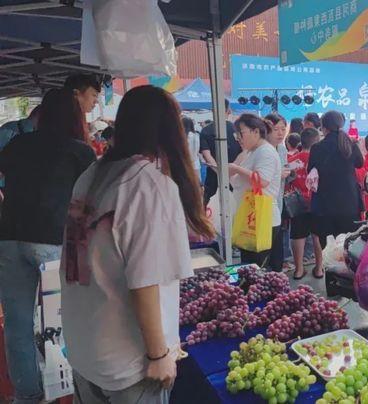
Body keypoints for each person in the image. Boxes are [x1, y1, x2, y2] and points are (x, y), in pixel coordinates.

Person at [60, 86, 213, 403]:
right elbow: (145, 280)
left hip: (86, 348)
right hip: (129, 361)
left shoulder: (93, 173)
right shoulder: (148, 183)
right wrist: (158, 354)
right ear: (171, 128)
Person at [0, 89, 95, 404]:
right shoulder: (80, 152)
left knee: (17, 323)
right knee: (65, 319)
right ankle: (70, 391)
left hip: (9, 237)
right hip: (55, 240)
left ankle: (27, 395)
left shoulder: (14, 145)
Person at [308, 111, 364, 277]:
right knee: (349, 243)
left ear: (323, 127)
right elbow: (360, 163)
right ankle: (349, 278)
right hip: (349, 203)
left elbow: (311, 170)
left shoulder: (318, 147)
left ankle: (332, 279)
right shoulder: (350, 144)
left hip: (326, 204)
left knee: (329, 245)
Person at [229, 114, 283, 267]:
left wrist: (236, 169)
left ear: (256, 132)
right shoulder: (254, 151)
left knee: (257, 268)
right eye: (237, 134)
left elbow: (263, 181)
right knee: (250, 266)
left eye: (241, 133)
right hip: (252, 217)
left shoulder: (266, 152)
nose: (239, 138)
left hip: (263, 219)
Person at [288, 128, 324, 279]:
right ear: (317, 142)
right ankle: (319, 269)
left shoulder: (292, 161)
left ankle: (298, 270)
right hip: (317, 202)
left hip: (297, 204)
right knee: (318, 236)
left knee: (298, 236)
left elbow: (286, 183)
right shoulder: (322, 160)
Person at [199, 99, 243, 206]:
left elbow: (207, 155)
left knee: (212, 211)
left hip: (215, 177)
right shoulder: (237, 129)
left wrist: (220, 173)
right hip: (235, 176)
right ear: (228, 110)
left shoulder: (205, 130)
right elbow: (244, 151)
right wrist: (230, 171)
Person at [264, 113, 291, 273]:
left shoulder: (281, 148)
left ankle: (276, 270)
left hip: (278, 198)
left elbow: (284, 168)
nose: (280, 133)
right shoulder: (260, 149)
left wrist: (289, 172)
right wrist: (278, 174)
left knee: (277, 235)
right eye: (276, 129)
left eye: (283, 129)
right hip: (263, 201)